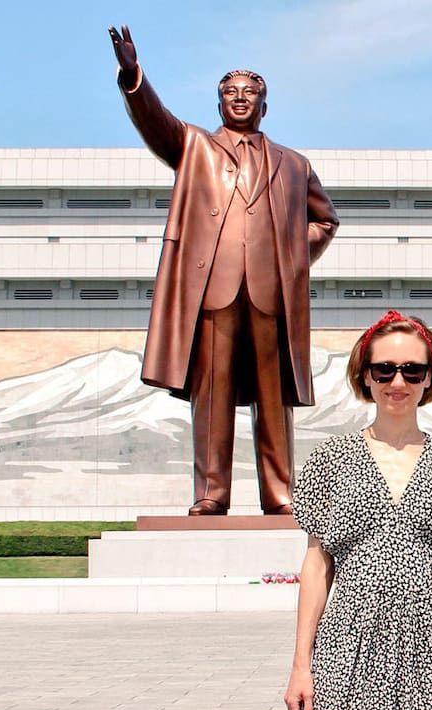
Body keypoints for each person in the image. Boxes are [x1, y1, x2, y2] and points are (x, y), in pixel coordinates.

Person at [108, 26, 339, 516]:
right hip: (213, 289)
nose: (240, 98)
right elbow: (155, 123)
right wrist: (133, 76)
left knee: (273, 398)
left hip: (270, 293)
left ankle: (280, 493)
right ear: (219, 105)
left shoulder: (293, 165)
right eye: (230, 93)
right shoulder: (194, 148)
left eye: (250, 92)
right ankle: (212, 492)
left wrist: (294, 256)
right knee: (211, 395)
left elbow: (326, 219)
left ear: (265, 106)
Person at [284, 310, 432, 710]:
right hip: (345, 650)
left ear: (429, 378)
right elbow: (317, 564)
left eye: (412, 370)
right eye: (385, 370)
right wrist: (300, 664)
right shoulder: (329, 460)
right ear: (365, 375)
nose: (399, 381)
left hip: (430, 653)